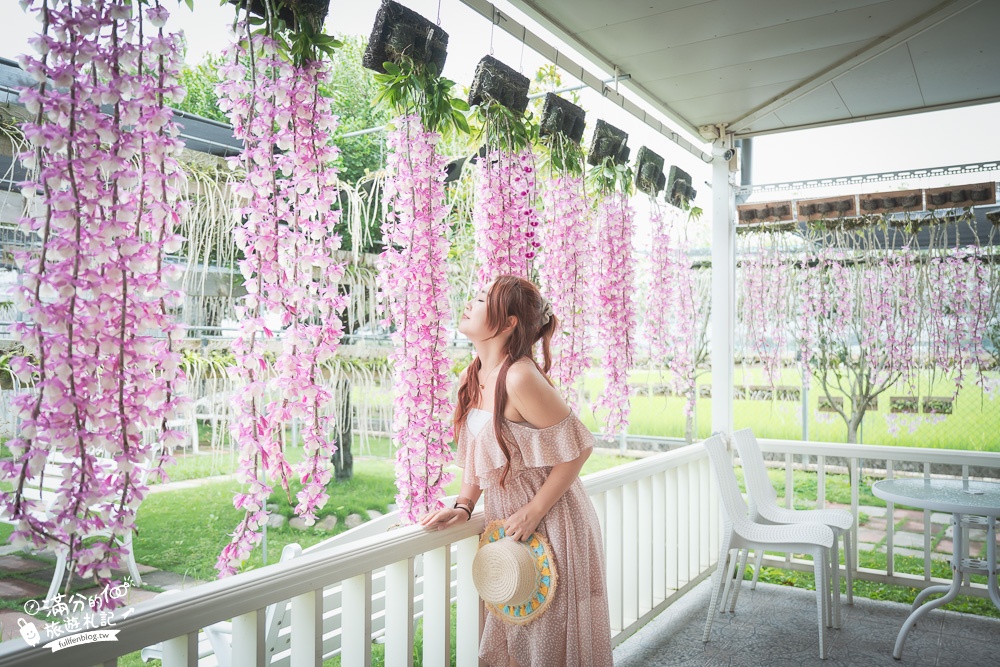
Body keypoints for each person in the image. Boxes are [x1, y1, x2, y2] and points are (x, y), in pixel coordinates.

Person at [419, 275, 613, 667]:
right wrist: (462, 503)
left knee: (547, 641)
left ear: (508, 324)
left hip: (552, 519)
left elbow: (579, 447)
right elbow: (481, 458)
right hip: (507, 521)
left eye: (480, 299)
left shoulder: (519, 376)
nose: (469, 304)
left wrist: (536, 510)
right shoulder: (472, 376)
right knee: (512, 637)